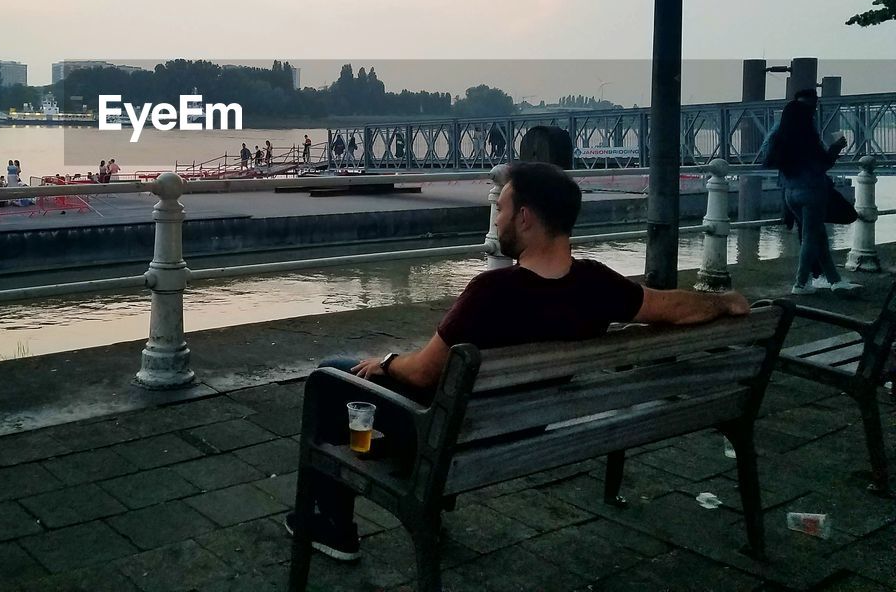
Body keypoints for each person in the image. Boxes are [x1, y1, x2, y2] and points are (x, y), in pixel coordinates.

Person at [287, 162, 752, 562]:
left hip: (453, 438)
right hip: (524, 430)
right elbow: (671, 308)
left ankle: (334, 526)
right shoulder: (597, 284)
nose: (498, 217)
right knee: (385, 385)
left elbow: (425, 372)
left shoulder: (492, 292)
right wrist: (723, 303)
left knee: (331, 375)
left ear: (525, 218)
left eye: (502, 208)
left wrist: (386, 364)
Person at [760, 89, 861, 295]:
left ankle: (834, 280)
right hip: (812, 192)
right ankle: (801, 283)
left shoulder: (781, 136)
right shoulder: (806, 136)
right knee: (810, 238)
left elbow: (768, 157)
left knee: (818, 236)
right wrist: (835, 149)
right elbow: (821, 165)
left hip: (790, 193)